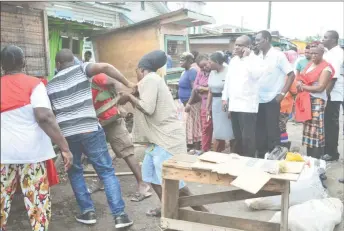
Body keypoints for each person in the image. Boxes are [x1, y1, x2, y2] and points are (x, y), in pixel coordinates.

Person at [46, 49, 134, 228]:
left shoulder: (50, 85)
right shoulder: (81, 70)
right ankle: (120, 216)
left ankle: (88, 213)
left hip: (68, 135)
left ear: (57, 64)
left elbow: (51, 113)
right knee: (106, 171)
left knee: (75, 172)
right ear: (74, 60)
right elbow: (106, 67)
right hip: (90, 130)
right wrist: (128, 82)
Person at [117, 50, 208, 217]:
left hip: (166, 139)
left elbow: (147, 108)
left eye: (136, 71)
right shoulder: (150, 81)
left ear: (141, 69)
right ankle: (166, 208)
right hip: (156, 140)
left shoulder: (150, 79)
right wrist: (132, 93)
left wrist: (130, 99)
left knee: (173, 181)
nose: (136, 75)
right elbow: (140, 94)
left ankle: (205, 213)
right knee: (151, 176)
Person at [1, 45, 73, 231]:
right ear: (23, 62)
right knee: (37, 203)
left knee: (2, 199)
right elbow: (45, 117)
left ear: (2, 65)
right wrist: (64, 147)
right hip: (32, 154)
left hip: (2, 155)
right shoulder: (34, 84)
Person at [88, 73, 152, 201]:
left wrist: (119, 104)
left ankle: (143, 184)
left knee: (126, 151)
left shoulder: (97, 77)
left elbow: (116, 83)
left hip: (112, 120)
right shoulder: (82, 84)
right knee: (99, 154)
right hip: (97, 122)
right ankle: (101, 181)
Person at [255, 30, 296, 158]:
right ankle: (262, 155)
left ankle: (274, 156)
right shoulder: (257, 56)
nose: (256, 43)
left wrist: (282, 94)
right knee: (259, 130)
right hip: (257, 99)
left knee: (272, 130)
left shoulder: (278, 56)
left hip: (273, 99)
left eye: (258, 40)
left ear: (266, 39)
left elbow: (291, 74)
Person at [222, 35, 264, 157]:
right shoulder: (234, 60)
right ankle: (239, 161)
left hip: (247, 105)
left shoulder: (256, 60)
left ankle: (249, 160)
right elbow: (228, 81)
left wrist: (248, 57)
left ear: (248, 47)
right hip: (234, 104)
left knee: (248, 138)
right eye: (236, 44)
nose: (236, 47)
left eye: (240, 45)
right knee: (238, 136)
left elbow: (256, 75)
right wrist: (225, 98)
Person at [295, 44, 334, 158]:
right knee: (308, 130)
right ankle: (310, 159)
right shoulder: (309, 65)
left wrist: (303, 87)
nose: (312, 55)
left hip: (317, 101)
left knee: (316, 131)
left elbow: (321, 88)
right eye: (311, 53)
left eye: (315, 53)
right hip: (307, 100)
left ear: (322, 53)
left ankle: (316, 161)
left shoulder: (326, 68)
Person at [322, 30, 344, 161]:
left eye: (325, 37)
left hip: (333, 93)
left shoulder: (337, 53)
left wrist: (325, 95)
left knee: (331, 122)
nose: (323, 39)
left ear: (333, 40)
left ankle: (332, 152)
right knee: (327, 122)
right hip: (328, 91)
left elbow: (333, 77)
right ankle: (328, 149)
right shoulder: (328, 53)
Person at [207, 51, 235, 152]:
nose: (208, 64)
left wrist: (230, 108)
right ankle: (218, 151)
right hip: (215, 103)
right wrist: (207, 108)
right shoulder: (212, 72)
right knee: (217, 130)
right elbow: (210, 91)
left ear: (218, 62)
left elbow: (232, 91)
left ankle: (233, 151)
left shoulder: (228, 71)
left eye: (210, 62)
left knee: (230, 130)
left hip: (226, 103)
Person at [185, 54, 213, 153]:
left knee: (215, 127)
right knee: (205, 127)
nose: (204, 68)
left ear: (209, 61)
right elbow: (195, 86)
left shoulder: (214, 73)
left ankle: (217, 149)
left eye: (205, 65)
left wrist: (204, 88)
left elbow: (214, 87)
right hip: (204, 104)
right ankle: (205, 149)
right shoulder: (201, 73)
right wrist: (201, 88)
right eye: (201, 67)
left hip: (215, 103)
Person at [178, 52, 202, 151]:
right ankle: (191, 145)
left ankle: (197, 147)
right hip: (185, 103)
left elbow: (194, 89)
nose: (180, 62)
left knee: (195, 124)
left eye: (183, 60)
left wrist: (189, 103)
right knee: (189, 124)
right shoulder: (184, 72)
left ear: (189, 61)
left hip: (192, 103)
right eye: (180, 60)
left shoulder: (192, 71)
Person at [279, 51, 298, 149]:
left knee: (281, 128)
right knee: (281, 127)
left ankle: (284, 147)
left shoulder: (287, 73)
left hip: (282, 105)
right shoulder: (288, 72)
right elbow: (294, 91)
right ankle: (283, 146)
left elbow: (294, 90)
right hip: (284, 105)